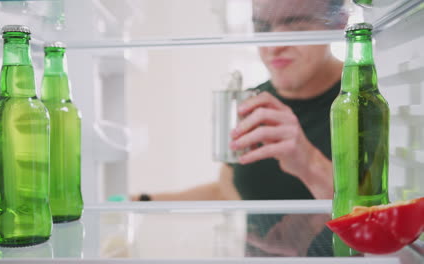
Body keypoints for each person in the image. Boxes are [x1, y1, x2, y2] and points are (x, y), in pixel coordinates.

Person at [132, 0, 347, 202]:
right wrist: (140, 202)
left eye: (297, 28)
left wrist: (309, 162)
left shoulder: (367, 98)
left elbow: (374, 207)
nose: (273, 47)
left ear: (339, 23)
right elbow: (229, 191)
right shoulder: (254, 101)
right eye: (262, 29)